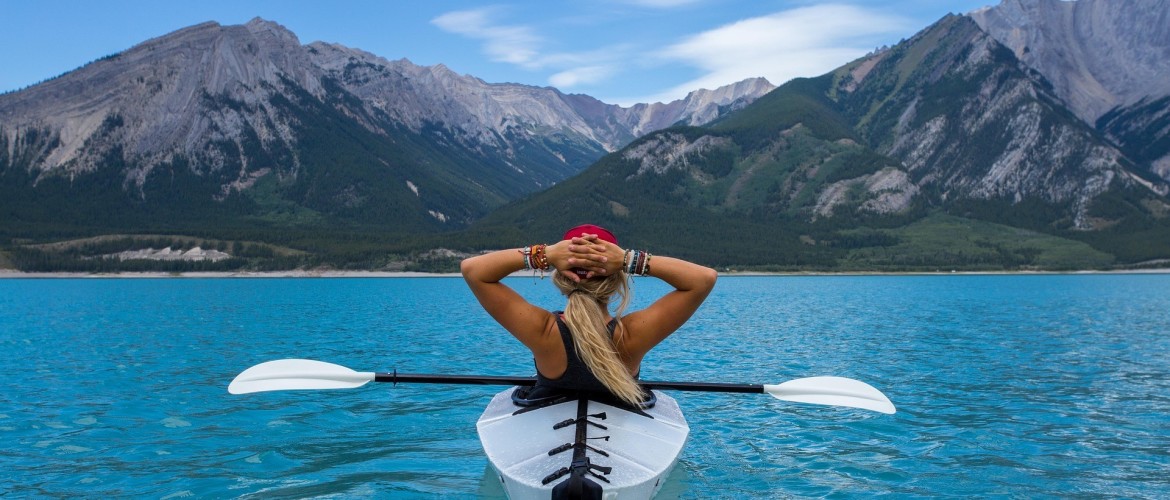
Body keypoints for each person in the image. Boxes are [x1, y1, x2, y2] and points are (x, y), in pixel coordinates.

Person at [460, 224, 717, 407]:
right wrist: (629, 258)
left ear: (560, 276)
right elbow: (703, 279)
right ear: (617, 278)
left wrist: (544, 254)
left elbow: (473, 270)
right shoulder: (632, 335)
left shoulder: (542, 331)